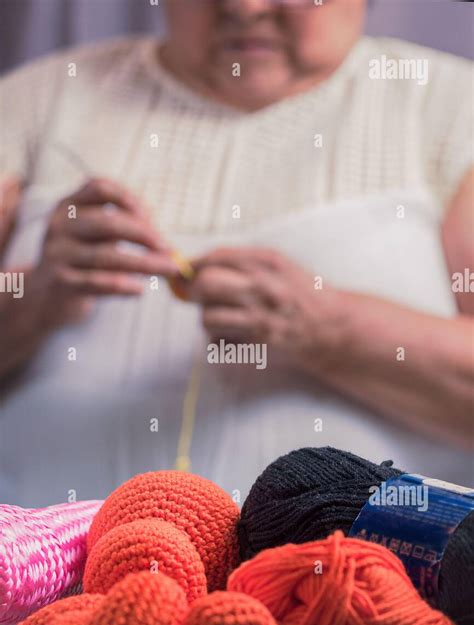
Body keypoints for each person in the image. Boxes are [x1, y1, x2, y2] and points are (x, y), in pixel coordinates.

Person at [0, 0, 472, 508]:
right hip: (41, 583)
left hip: (364, 581)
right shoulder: (36, 101)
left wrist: (330, 328)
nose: (245, 8)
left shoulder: (450, 108)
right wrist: (33, 299)